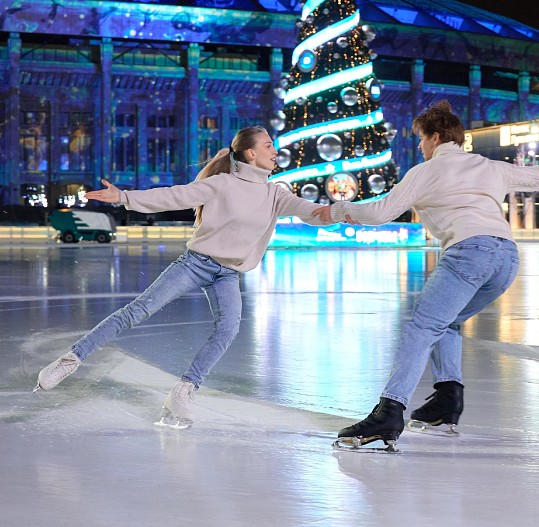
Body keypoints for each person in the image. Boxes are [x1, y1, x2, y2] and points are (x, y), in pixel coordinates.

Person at [314, 101, 539, 450]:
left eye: (422, 139)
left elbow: (379, 213)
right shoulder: (489, 166)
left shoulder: (425, 171)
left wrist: (337, 210)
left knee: (422, 328)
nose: (420, 146)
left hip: (469, 252)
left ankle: (389, 411)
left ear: (435, 137)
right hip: (506, 258)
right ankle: (447, 400)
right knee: (447, 323)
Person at [35, 126, 332, 429]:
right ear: (251, 153)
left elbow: (313, 211)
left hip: (228, 274)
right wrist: (124, 197)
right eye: (268, 145)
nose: (275, 151)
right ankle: (70, 360)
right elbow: (173, 196)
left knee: (228, 329)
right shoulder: (222, 183)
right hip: (195, 264)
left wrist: (346, 212)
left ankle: (183, 391)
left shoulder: (275, 194)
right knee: (138, 311)